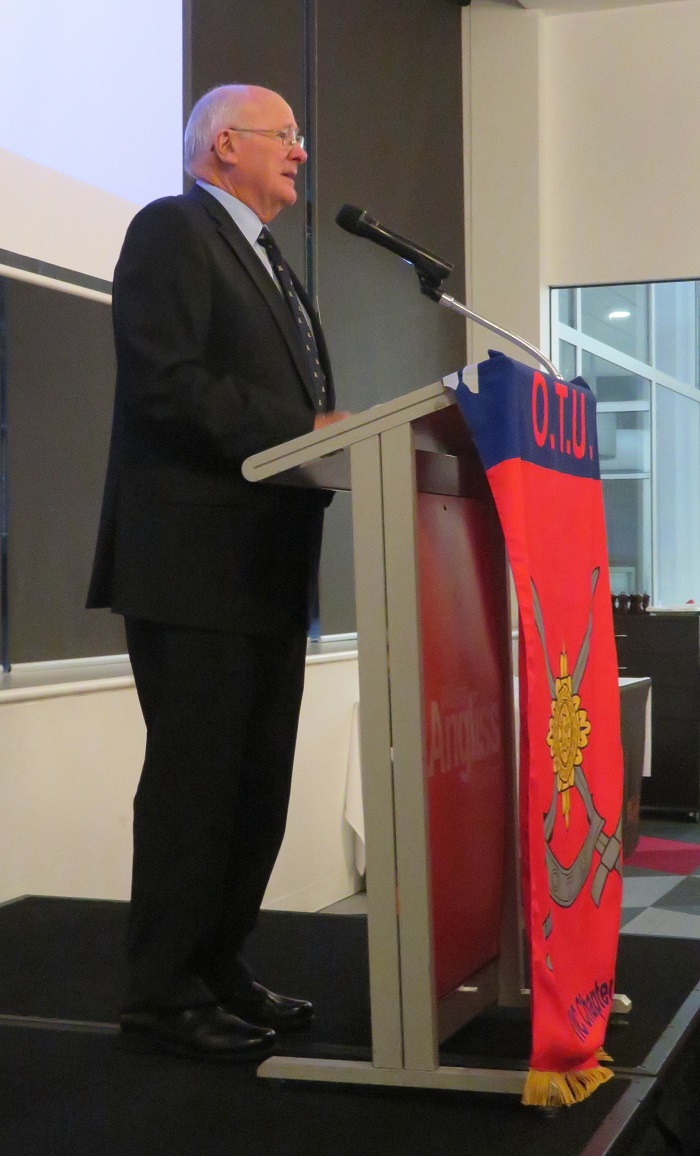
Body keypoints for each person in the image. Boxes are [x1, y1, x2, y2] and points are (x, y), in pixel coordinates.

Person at [87, 84, 348, 1060]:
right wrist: (305, 431)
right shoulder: (172, 229)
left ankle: (219, 965)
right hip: (193, 567)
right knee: (197, 784)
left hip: (267, 568)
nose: (301, 153)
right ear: (224, 143)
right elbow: (164, 383)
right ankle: (159, 990)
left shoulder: (270, 261)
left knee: (255, 786)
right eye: (287, 136)